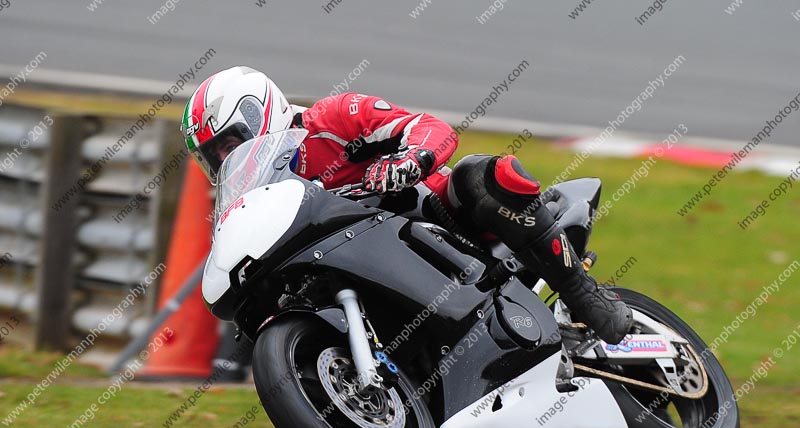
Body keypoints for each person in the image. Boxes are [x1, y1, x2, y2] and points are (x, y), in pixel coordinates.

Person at [181, 66, 632, 346]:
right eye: (213, 156)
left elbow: (428, 126)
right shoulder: (254, 205)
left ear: (261, 110)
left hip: (432, 215)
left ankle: (581, 292)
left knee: (480, 175)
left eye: (230, 143)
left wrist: (408, 160)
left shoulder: (332, 119)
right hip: (367, 266)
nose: (225, 158)